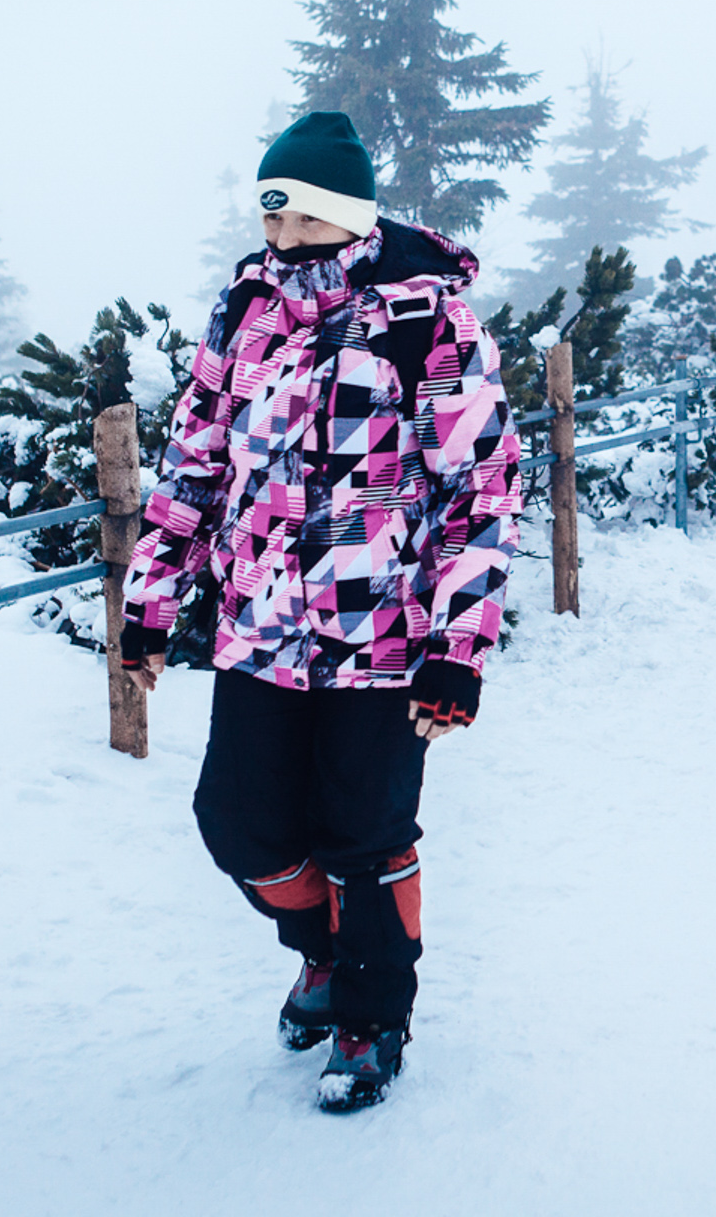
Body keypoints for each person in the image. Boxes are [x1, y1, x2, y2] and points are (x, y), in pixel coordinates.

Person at [116, 110, 522, 1113]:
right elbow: (195, 469)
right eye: (271, 216)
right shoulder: (244, 311)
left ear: (346, 214)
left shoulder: (429, 320)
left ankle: (372, 1018)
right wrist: (151, 606)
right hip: (261, 630)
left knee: (365, 832)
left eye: (301, 218)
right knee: (237, 825)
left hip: (383, 640)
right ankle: (325, 951)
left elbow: (482, 492)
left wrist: (455, 652)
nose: (282, 238)